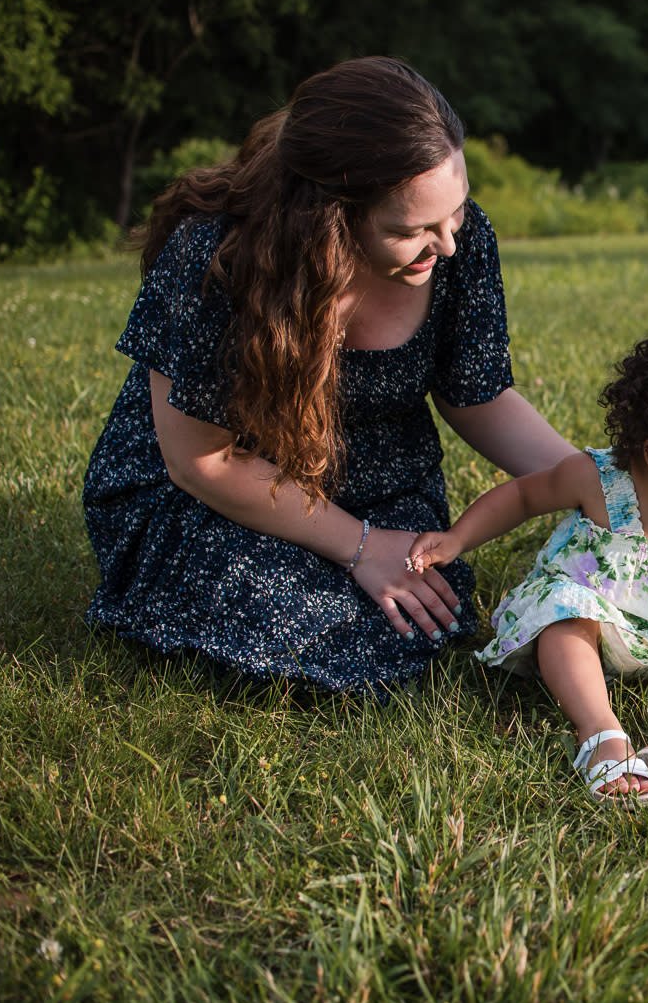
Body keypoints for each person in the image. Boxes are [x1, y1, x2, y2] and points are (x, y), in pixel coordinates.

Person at [82, 57, 575, 694]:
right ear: (329, 216)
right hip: (216, 493)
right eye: (411, 229)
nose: (447, 244)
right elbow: (199, 464)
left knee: (420, 616)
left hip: (377, 478)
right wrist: (360, 545)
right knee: (315, 629)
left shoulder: (461, 239)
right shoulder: (217, 261)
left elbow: (477, 394)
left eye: (453, 215)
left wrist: (594, 483)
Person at [407, 328, 648, 805]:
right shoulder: (597, 480)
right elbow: (524, 495)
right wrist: (456, 539)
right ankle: (602, 733)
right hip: (592, 622)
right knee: (566, 618)